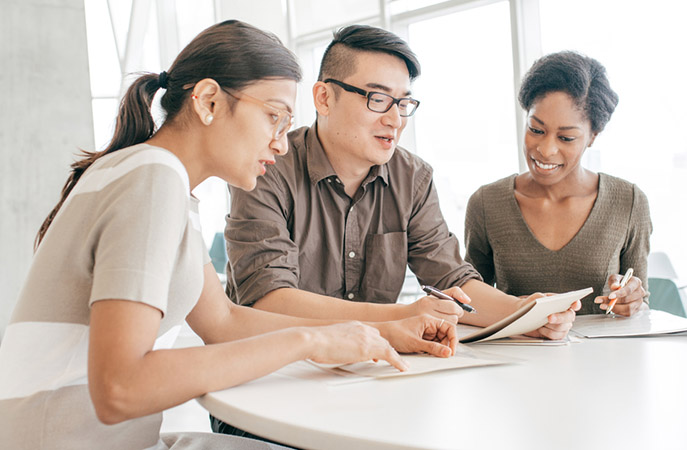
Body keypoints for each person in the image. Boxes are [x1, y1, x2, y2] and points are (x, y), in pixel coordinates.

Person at [0, 20, 457, 450]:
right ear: (208, 101)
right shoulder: (151, 179)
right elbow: (119, 388)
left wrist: (381, 329)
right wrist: (310, 341)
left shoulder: (161, 182)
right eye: (274, 117)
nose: (281, 142)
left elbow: (224, 323)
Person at [224, 24, 579, 333]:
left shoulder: (413, 178)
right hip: (268, 377)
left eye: (403, 103)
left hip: (365, 372)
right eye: (378, 99)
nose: (395, 120)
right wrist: (403, 316)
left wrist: (527, 314)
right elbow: (270, 301)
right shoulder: (269, 166)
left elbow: (452, 280)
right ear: (323, 98)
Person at [464, 51, 652, 316]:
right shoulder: (487, 203)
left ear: (592, 136)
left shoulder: (628, 201)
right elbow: (470, 304)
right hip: (516, 354)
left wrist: (633, 302)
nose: (546, 149)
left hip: (603, 357)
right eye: (536, 130)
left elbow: (641, 306)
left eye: (566, 138)